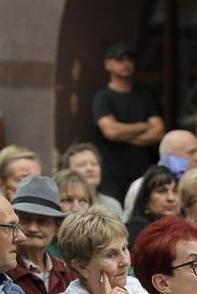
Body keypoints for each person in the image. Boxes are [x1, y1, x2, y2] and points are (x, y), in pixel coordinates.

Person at [92, 42, 165, 202]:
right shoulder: (103, 97)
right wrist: (143, 126)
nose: (126, 63)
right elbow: (111, 132)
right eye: (120, 59)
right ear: (107, 64)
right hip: (112, 175)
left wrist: (123, 135)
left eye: (129, 59)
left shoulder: (144, 96)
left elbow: (158, 132)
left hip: (142, 173)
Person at [6, 176, 74, 294]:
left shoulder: (67, 272)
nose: (32, 228)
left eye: (43, 222)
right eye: (25, 219)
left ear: (56, 228)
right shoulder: (3, 272)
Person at [60, 142, 127, 218]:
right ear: (67, 171)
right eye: (81, 165)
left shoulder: (113, 205)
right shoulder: (58, 199)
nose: (90, 168)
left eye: (94, 164)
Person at [123, 165, 180, 245]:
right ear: (146, 200)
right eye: (161, 191)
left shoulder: (185, 228)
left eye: (175, 191)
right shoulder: (138, 228)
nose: (171, 198)